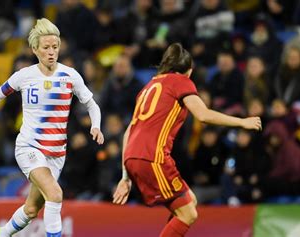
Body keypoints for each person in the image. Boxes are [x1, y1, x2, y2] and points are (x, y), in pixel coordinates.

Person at [0, 18, 104, 237]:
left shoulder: (70, 75)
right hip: (29, 148)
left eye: (55, 47)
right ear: (35, 49)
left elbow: (91, 104)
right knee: (55, 194)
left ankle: (0, 234)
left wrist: (96, 126)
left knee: (31, 209)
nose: (51, 52)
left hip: (56, 154)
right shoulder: (25, 75)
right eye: (46, 47)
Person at [112, 43, 261, 237]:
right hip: (153, 156)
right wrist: (242, 122)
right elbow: (203, 115)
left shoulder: (147, 88)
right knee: (188, 213)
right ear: (188, 71)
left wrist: (125, 176)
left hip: (133, 156)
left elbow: (128, 132)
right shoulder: (180, 81)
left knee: (189, 201)